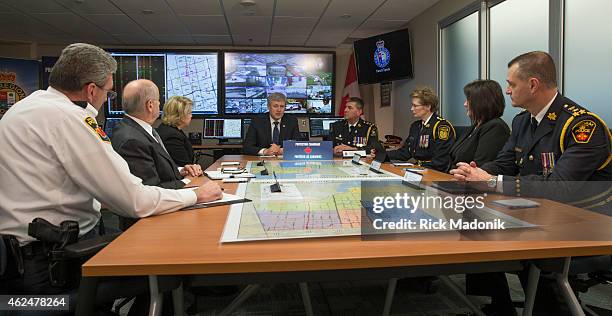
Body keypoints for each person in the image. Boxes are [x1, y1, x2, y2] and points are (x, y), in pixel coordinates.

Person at [0, 43, 221, 309]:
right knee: (168, 268)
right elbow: (134, 200)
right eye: (108, 91)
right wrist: (196, 194)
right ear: (91, 90)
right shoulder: (70, 119)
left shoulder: (25, 108)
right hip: (54, 266)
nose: (108, 98)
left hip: (20, 260)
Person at [450, 51, 612, 315]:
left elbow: (561, 187)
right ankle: (499, 306)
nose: (507, 90)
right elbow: (504, 164)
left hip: (586, 221)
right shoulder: (523, 120)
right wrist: (474, 172)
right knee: (474, 224)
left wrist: (492, 182)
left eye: (512, 84)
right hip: (541, 210)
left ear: (533, 84)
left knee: (530, 252)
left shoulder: (583, 126)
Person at [112, 80, 202, 189]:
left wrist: (180, 171)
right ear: (150, 105)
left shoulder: (138, 130)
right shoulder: (132, 140)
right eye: (158, 101)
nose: (160, 104)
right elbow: (150, 190)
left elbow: (155, 169)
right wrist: (188, 181)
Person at [386, 87, 456, 172]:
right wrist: (381, 154)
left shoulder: (441, 127)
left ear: (428, 106)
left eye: (415, 105)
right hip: (418, 169)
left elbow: (440, 161)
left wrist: (416, 169)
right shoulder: (415, 126)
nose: (412, 109)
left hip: (436, 173)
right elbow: (405, 153)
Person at [447, 79, 510, 172]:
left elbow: (480, 166)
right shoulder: (476, 126)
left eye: (469, 100)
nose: (465, 104)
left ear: (483, 102)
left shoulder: (496, 127)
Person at [156, 96, 195, 167]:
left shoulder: (169, 129)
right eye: (189, 112)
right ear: (180, 115)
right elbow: (184, 165)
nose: (191, 116)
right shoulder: (172, 136)